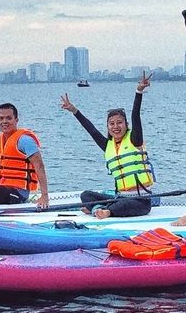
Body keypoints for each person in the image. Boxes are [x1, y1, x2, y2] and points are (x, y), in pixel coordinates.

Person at [59, 71, 155, 218]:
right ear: (108, 126)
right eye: (112, 124)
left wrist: (139, 91)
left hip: (140, 201)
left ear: (126, 124)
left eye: (119, 123)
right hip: (119, 197)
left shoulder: (135, 140)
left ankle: (105, 211)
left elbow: (136, 115)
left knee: (125, 204)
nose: (115, 127)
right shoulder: (108, 145)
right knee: (86, 195)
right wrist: (74, 110)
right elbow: (91, 129)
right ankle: (99, 208)